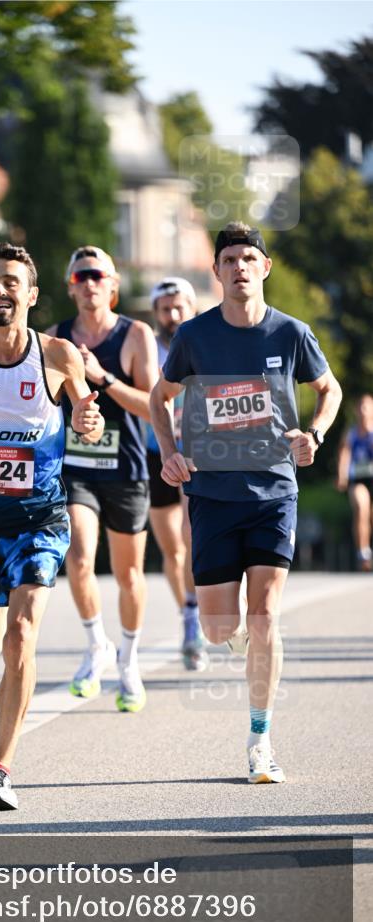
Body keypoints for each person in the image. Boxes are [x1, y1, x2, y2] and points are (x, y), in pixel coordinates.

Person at [150, 222, 342, 784]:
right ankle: (233, 637)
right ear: (216, 271)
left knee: (265, 616)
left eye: (248, 258)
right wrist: (169, 451)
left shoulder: (292, 334)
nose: (239, 267)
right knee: (217, 628)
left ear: (265, 267)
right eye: (229, 259)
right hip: (211, 493)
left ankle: (261, 739)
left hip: (273, 490)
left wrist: (317, 434)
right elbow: (161, 400)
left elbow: (328, 389)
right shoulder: (194, 336)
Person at [0, 243, 103, 811]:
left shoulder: (57, 354)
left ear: (31, 294)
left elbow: (86, 410)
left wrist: (87, 414)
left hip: (39, 520)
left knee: (23, 634)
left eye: (10, 281)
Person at [46, 246, 158, 712]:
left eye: (98, 275)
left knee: (130, 574)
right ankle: (97, 645)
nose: (89, 283)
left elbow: (156, 407)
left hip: (127, 470)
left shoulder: (136, 335)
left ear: (112, 285)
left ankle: (128, 660)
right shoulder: (56, 338)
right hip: (78, 470)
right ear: (71, 286)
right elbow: (45, 406)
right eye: (81, 276)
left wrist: (101, 378)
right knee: (78, 559)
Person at [147, 277, 208, 671]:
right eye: (165, 309)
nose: (172, 315)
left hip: (196, 451)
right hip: (154, 453)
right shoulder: (147, 348)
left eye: (179, 307)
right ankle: (187, 610)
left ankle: (196, 618)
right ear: (156, 314)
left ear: (192, 308)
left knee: (190, 536)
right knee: (171, 548)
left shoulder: (206, 345)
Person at [336, 393, 373, 570]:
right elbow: (344, 454)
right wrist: (342, 475)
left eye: (367, 406)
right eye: (360, 406)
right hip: (357, 479)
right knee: (361, 506)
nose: (363, 410)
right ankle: (363, 551)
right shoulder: (351, 433)